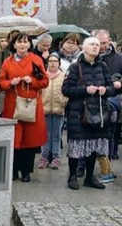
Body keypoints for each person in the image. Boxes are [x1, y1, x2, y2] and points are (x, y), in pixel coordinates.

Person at [62, 37, 118, 190]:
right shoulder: (75, 67)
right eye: (92, 44)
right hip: (79, 113)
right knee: (76, 146)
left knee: (94, 145)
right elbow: (66, 90)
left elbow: (111, 87)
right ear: (84, 48)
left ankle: (89, 177)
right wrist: (85, 90)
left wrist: (106, 90)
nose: (95, 47)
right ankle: (72, 176)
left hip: (99, 112)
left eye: (97, 45)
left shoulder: (103, 66)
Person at [0, 33, 49, 183]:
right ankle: (13, 171)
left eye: (25, 42)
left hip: (30, 104)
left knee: (29, 139)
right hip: (12, 105)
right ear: (14, 45)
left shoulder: (36, 60)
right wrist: (10, 83)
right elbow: (1, 82)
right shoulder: (7, 62)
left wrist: (32, 81)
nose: (22, 45)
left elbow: (44, 81)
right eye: (19, 42)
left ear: (29, 45)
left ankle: (26, 171)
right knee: (14, 139)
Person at [37, 54, 68, 170]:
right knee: (45, 135)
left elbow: (66, 91)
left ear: (59, 63)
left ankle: (56, 157)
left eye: (55, 61)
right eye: (50, 61)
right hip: (44, 109)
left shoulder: (64, 76)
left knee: (56, 135)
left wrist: (64, 102)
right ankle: (44, 156)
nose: (53, 63)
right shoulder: (43, 76)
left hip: (59, 109)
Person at [96, 29, 122, 159]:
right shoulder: (90, 57)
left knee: (113, 130)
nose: (102, 46)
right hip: (93, 98)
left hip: (114, 97)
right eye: (99, 43)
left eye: (104, 43)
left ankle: (111, 155)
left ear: (109, 41)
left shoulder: (119, 58)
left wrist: (120, 82)